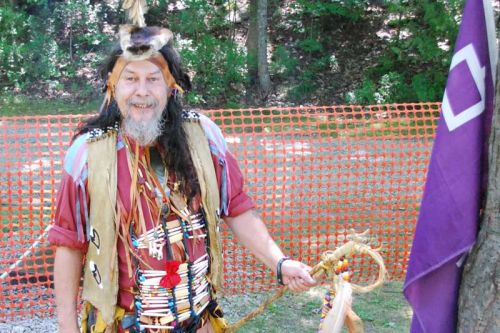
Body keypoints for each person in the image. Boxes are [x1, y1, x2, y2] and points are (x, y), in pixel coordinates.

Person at [49, 25, 316, 333]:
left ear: (171, 86)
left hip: (198, 320)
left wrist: (279, 263)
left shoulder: (203, 136)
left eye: (153, 79)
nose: (142, 92)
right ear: (113, 86)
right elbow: (69, 242)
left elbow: (237, 206)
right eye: (131, 79)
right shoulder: (87, 154)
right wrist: (67, 327)